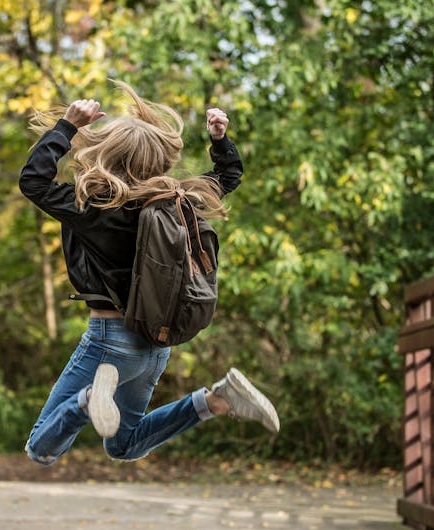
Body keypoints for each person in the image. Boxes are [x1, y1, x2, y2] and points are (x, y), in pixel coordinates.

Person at [19, 80, 279, 466]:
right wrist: (220, 141)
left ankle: (90, 400)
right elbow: (227, 178)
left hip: (109, 342)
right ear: (156, 158)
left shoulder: (91, 206)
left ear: (107, 153)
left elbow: (33, 181)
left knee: (40, 448)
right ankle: (217, 400)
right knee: (124, 445)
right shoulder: (178, 201)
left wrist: (67, 126)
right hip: (155, 344)